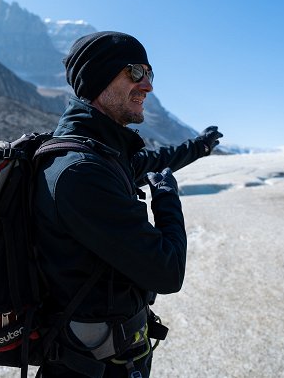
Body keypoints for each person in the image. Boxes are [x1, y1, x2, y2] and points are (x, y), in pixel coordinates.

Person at [33, 31, 222, 377]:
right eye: (135, 72)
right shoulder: (82, 171)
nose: (147, 86)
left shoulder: (103, 154)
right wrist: (166, 198)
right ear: (98, 78)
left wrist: (200, 146)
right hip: (90, 369)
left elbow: (156, 159)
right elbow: (167, 271)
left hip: (112, 360)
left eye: (150, 75)